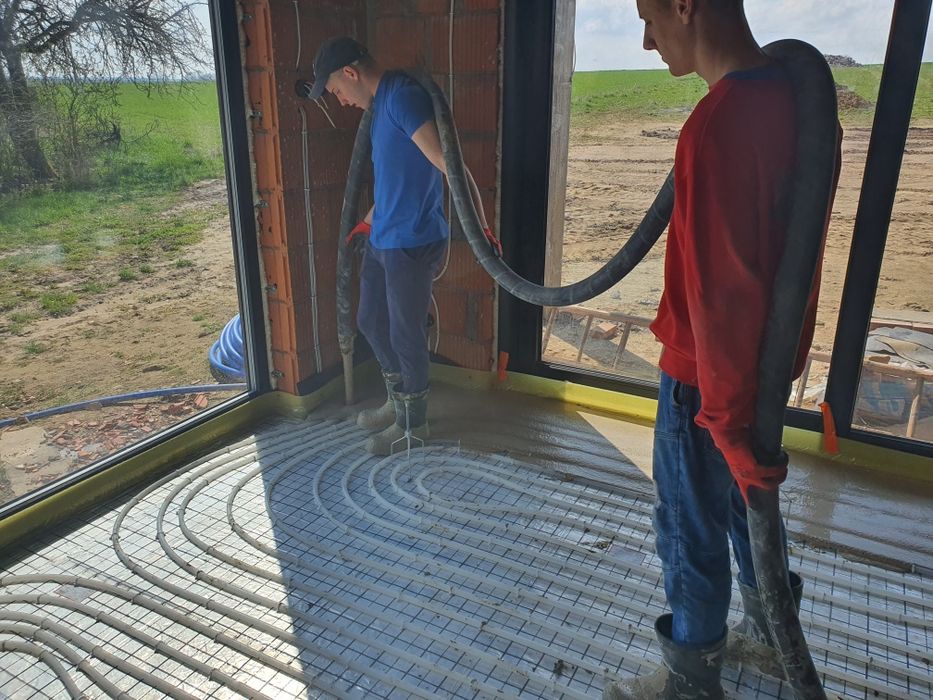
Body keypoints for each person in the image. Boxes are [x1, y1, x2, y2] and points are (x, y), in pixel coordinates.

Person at [604, 1, 839, 698]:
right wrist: (750, 415)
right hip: (758, 375)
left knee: (689, 528)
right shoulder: (799, 100)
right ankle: (768, 635)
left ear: (685, 6)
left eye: (649, 19)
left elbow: (720, 297)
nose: (647, 42)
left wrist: (727, 427)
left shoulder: (716, 125)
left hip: (705, 384)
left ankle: (690, 679)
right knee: (747, 513)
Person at [304, 37, 498, 455]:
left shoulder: (404, 99)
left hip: (412, 240)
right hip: (384, 237)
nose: (340, 101)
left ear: (350, 73)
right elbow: (396, 179)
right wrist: (368, 221)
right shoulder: (380, 106)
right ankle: (397, 402)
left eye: (336, 91)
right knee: (370, 320)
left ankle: (414, 424)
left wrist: (482, 228)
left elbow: (452, 166)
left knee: (405, 332)